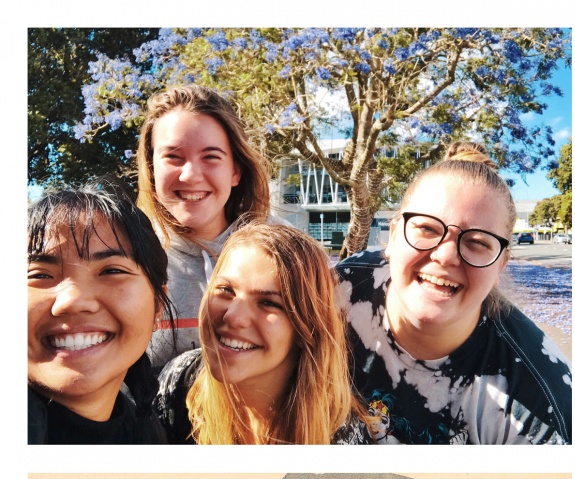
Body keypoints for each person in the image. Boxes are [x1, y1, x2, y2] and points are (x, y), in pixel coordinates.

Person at [336, 141, 572, 444]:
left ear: (500, 265)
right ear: (394, 236)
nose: (446, 256)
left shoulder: (538, 403)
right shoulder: (340, 289)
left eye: (477, 241)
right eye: (427, 229)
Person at [155, 222, 369, 444]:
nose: (233, 316)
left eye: (269, 303)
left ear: (307, 327)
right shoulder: (177, 382)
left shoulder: (340, 438)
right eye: (226, 290)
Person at [137, 84, 271, 369]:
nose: (191, 175)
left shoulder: (282, 254)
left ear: (235, 170)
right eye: (173, 157)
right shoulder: (127, 259)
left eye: (211, 157)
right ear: (151, 168)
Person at [28, 186, 174, 444]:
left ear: (157, 307)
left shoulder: (149, 433)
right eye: (40, 275)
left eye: (111, 271)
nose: (72, 301)